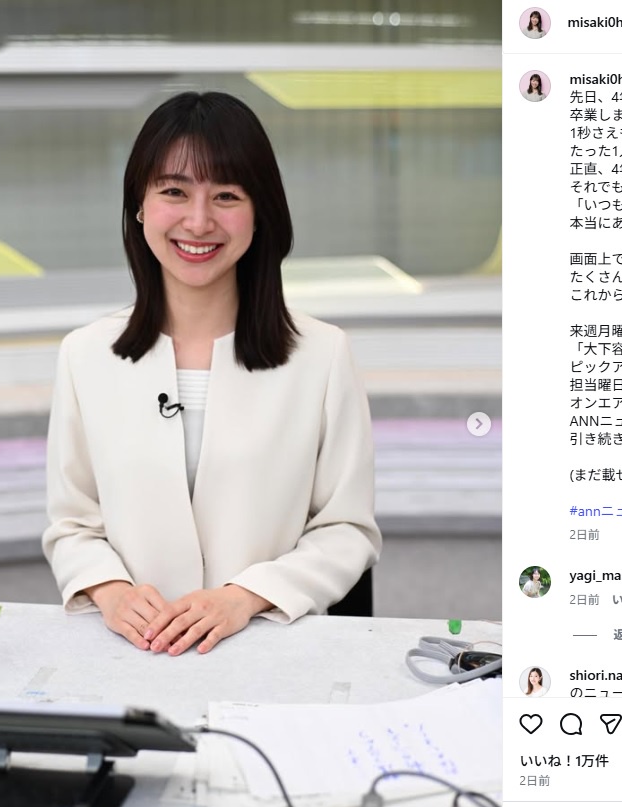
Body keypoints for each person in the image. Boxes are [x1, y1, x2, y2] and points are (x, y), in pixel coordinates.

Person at [42, 91, 382, 657]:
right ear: (139, 206)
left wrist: (244, 598)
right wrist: (111, 591)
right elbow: (73, 524)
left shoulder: (323, 355)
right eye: (174, 192)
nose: (198, 221)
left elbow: (347, 530)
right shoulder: (86, 355)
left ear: (260, 212)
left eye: (226, 195)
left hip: (271, 649)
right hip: (134, 653)